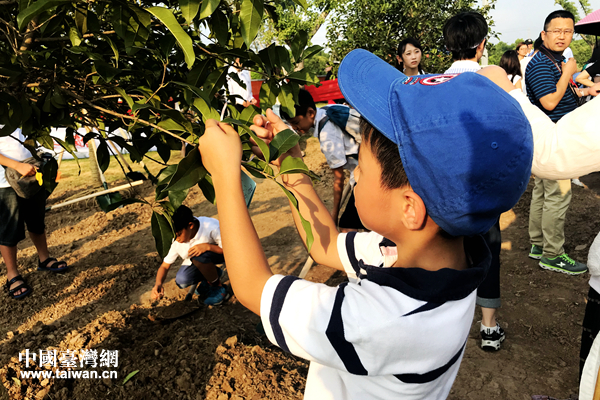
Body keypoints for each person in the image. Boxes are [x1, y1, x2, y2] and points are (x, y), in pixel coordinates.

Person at [197, 46, 533, 398]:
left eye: (363, 166)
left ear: (410, 209)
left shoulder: (384, 320)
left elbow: (252, 287)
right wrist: (288, 157)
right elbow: (323, 244)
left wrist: (225, 179)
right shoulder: (438, 260)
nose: (354, 172)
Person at [443, 11, 506, 351]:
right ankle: (488, 328)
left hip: (441, 186)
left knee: (446, 249)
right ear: (481, 45)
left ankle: (444, 323)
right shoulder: (491, 82)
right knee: (488, 250)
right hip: (482, 185)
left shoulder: (433, 84)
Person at [525, 10, 600, 275]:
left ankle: (537, 243)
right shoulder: (540, 64)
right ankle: (552, 254)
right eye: (556, 31)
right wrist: (568, 70)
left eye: (567, 31)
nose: (562, 36)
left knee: (543, 193)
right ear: (544, 34)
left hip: (554, 135)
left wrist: (586, 89)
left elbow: (563, 90)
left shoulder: (555, 59)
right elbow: (549, 102)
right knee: (558, 196)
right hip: (555, 139)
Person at [0, 128, 68, 300]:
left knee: (36, 220)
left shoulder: (19, 108)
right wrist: (17, 165)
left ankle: (44, 259)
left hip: (31, 172)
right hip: (5, 181)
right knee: (9, 230)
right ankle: (12, 274)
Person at [282, 89, 364, 231]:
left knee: (347, 226)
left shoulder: (327, 137)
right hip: (369, 164)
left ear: (310, 113)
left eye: (296, 123)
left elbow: (338, 180)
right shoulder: (329, 110)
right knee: (366, 222)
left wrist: (334, 215)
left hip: (366, 174)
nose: (295, 128)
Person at [151, 205, 229, 306]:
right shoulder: (175, 239)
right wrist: (158, 283)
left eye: (178, 235)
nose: (177, 239)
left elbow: (229, 250)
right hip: (200, 261)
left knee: (198, 256)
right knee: (182, 279)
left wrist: (208, 247)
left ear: (190, 225)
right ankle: (212, 275)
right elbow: (165, 266)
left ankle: (218, 288)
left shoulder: (211, 226)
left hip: (222, 254)